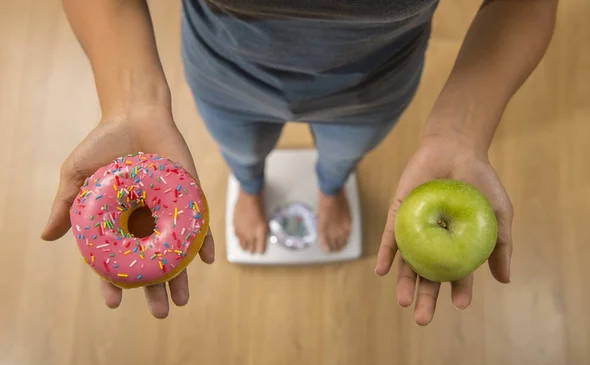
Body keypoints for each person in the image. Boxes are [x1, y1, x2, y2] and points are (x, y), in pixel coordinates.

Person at [41, 0, 557, 324]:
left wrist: (462, 131)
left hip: (371, 87)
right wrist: (132, 101)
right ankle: (250, 184)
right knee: (241, 149)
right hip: (226, 76)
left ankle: (331, 186)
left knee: (344, 154)